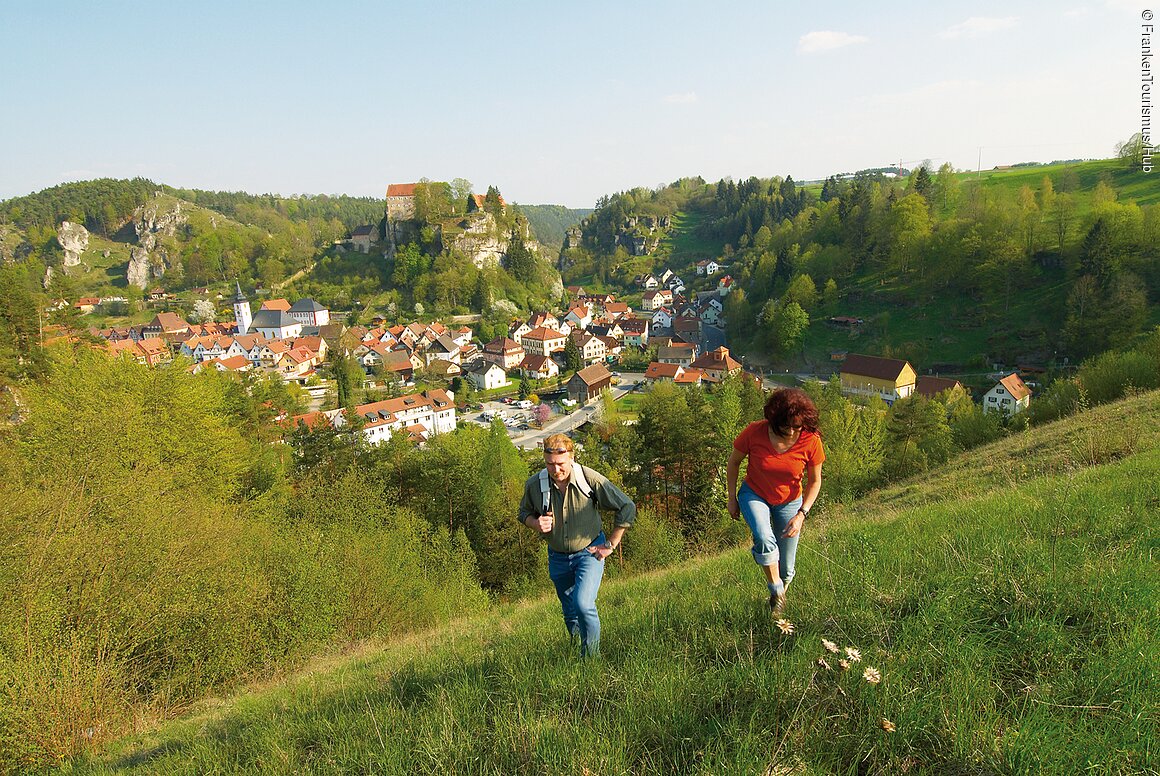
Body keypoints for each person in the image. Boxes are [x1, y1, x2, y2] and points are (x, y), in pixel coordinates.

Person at [519, 434, 635, 657]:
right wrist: (535, 523)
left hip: (589, 553)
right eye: (549, 464)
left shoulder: (588, 479)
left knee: (583, 605)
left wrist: (610, 544)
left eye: (560, 464)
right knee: (570, 612)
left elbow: (626, 506)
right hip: (557, 557)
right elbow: (523, 512)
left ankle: (590, 660)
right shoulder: (535, 484)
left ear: (571, 458)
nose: (555, 470)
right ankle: (576, 649)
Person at [726, 388, 825, 615]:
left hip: (790, 501)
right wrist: (731, 498)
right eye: (785, 426)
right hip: (754, 493)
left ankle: (777, 608)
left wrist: (802, 514)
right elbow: (733, 463)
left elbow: (815, 482)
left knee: (787, 569)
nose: (791, 431)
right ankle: (776, 590)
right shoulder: (754, 432)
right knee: (763, 537)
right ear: (774, 420)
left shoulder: (811, 441)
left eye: (796, 426)